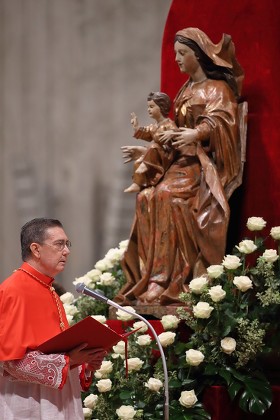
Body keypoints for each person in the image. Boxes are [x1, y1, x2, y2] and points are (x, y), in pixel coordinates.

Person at [115, 27, 244, 306]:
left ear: (197, 55)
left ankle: (171, 280)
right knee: (146, 197)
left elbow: (222, 121)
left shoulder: (217, 89)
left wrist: (197, 134)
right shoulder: (185, 90)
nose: (177, 59)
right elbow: (172, 131)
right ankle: (151, 277)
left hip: (202, 165)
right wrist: (148, 148)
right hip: (179, 162)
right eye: (176, 53)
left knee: (165, 195)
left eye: (182, 53)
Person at [0, 218, 106, 419]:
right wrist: (70, 360)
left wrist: (86, 363)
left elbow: (56, 351)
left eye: (67, 244)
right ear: (36, 249)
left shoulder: (50, 291)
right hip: (28, 402)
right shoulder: (14, 290)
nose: (66, 251)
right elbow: (10, 364)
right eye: (59, 244)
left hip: (58, 400)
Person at [124, 91, 178, 193]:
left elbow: (177, 134)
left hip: (167, 156)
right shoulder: (154, 126)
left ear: (162, 107)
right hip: (155, 155)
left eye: (152, 107)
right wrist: (136, 127)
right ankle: (137, 184)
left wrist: (171, 133)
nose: (148, 109)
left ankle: (146, 165)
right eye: (148, 107)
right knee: (138, 162)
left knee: (153, 146)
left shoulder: (169, 124)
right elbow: (146, 133)